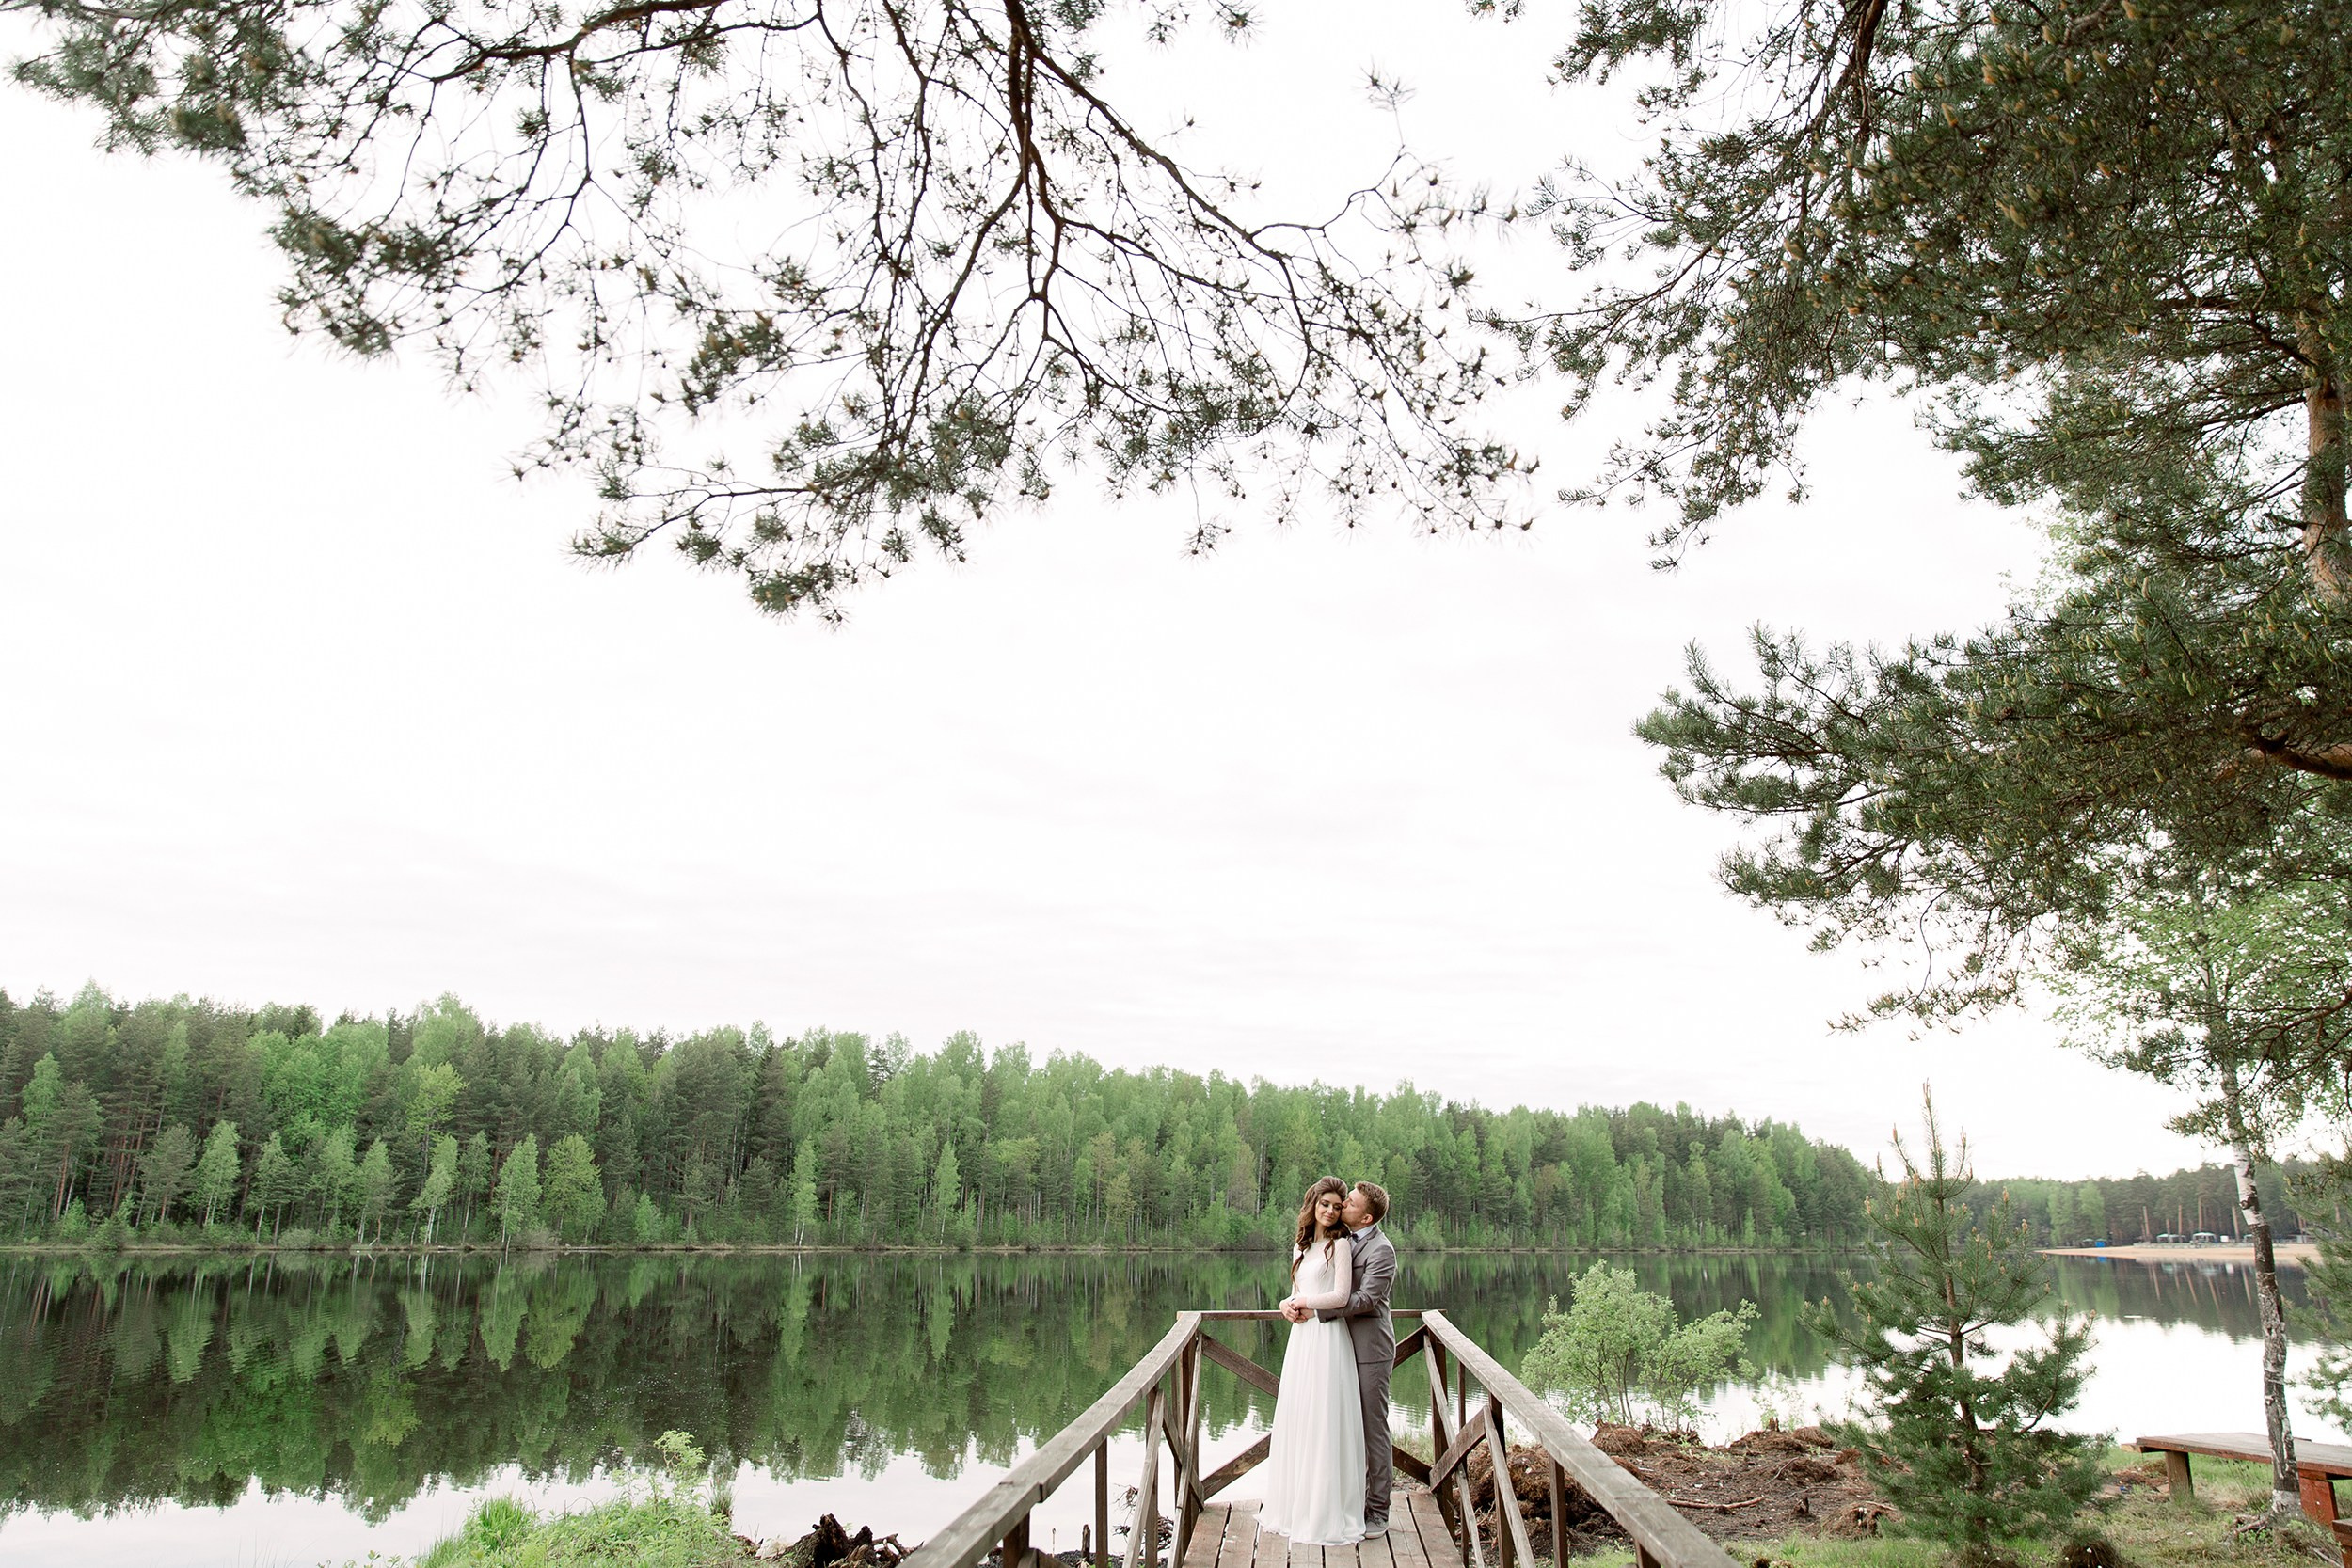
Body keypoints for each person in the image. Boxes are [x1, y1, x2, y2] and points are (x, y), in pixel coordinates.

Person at [1261, 1179, 1398, 1543]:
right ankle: (1324, 1500)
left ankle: (1378, 1510)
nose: (1341, 1207)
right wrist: (1289, 1303)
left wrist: (1313, 1308)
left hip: (1369, 1350)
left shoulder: (1381, 1251)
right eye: (1340, 1202)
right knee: (1324, 1422)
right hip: (1327, 1344)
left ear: (1365, 1217)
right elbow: (1305, 1285)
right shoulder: (1336, 1239)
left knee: (1371, 1429)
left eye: (1348, 1203)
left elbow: (1365, 1300)